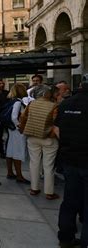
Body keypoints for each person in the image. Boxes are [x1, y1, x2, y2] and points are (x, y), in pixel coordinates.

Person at [56, 76, 88, 248]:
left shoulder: (66, 105)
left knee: (70, 200)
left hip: (69, 159)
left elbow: (57, 128)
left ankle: (65, 238)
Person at [19, 85, 59, 200]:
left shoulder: (31, 104)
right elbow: (56, 122)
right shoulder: (54, 105)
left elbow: (23, 117)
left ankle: (34, 188)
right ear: (45, 94)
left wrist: (23, 130)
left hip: (32, 136)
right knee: (48, 165)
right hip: (48, 138)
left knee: (34, 163)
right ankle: (49, 192)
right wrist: (51, 134)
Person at [5, 83, 30, 184]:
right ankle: (19, 175)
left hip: (12, 130)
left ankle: (10, 172)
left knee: (10, 151)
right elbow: (14, 117)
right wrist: (19, 127)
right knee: (18, 152)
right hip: (17, 131)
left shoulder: (12, 101)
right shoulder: (18, 103)